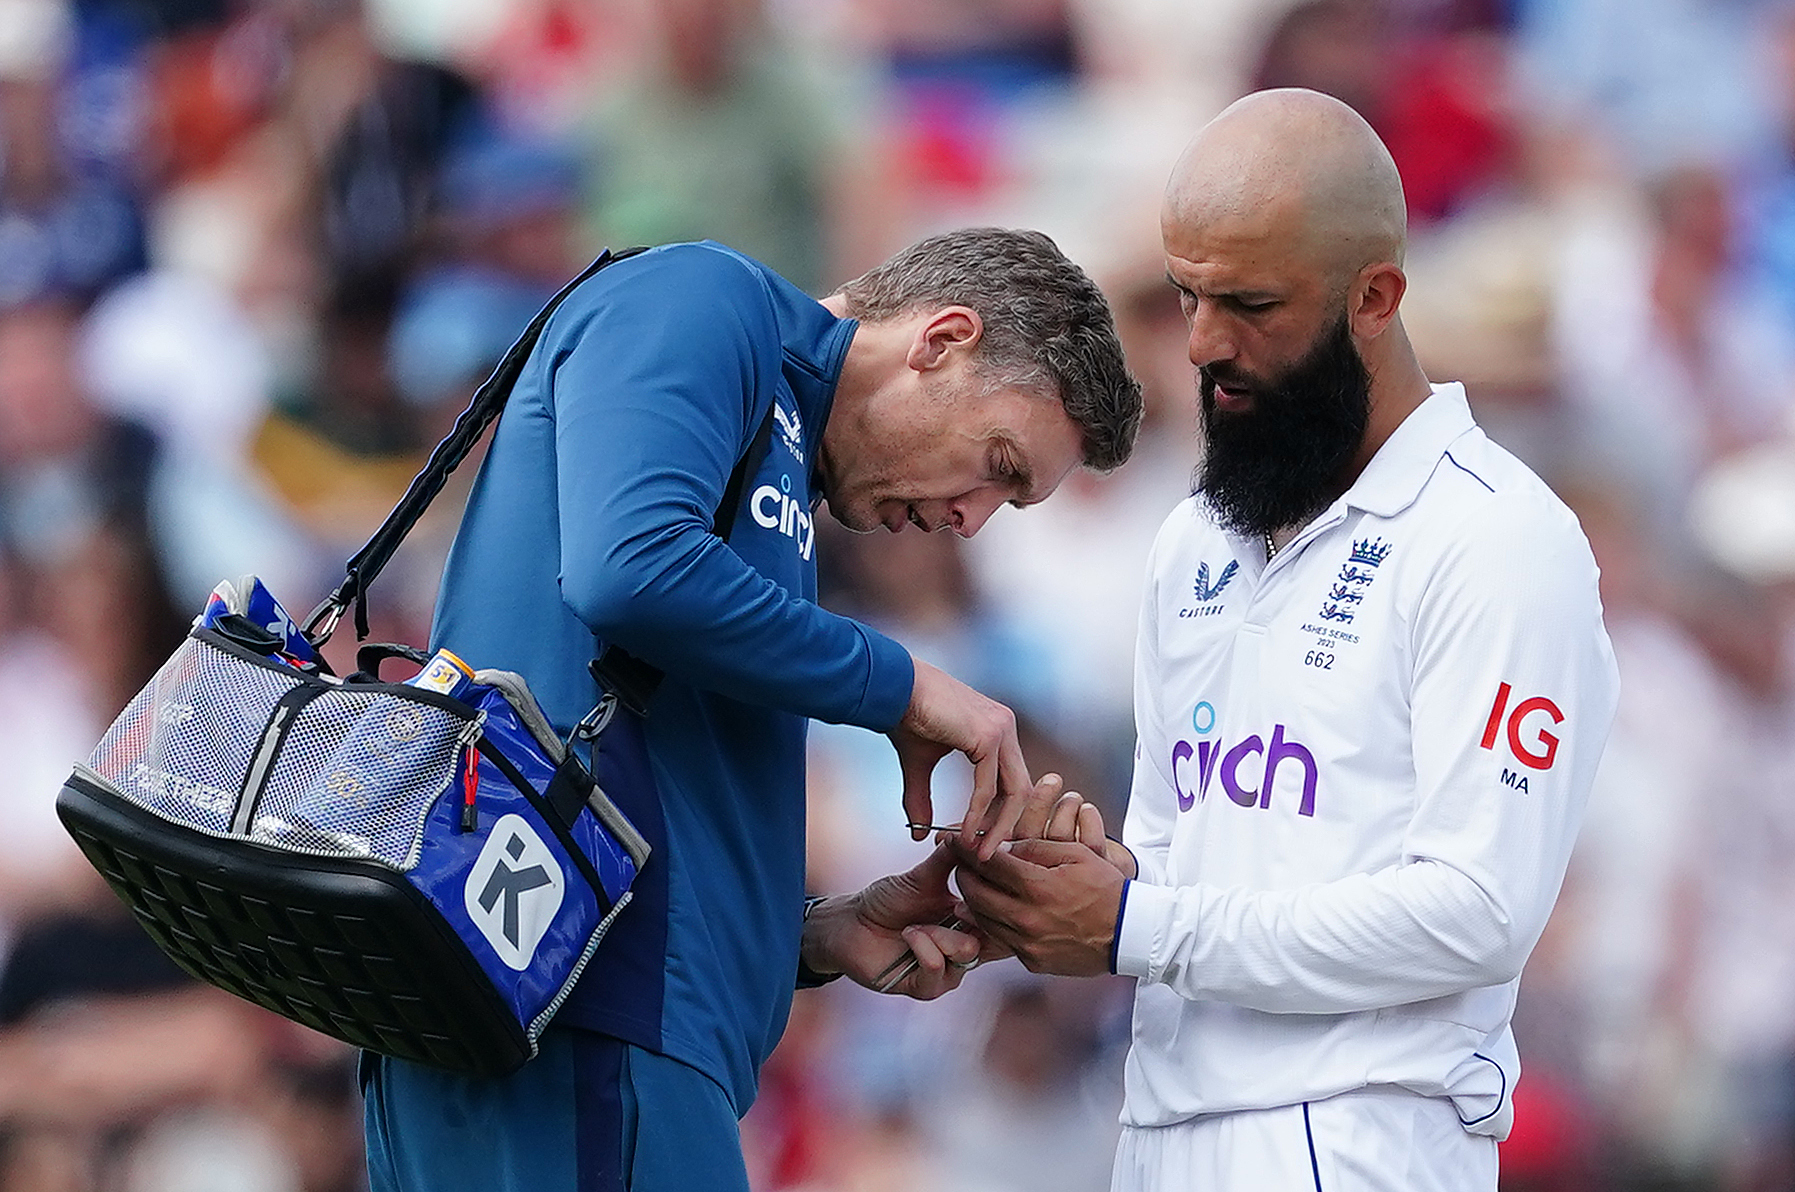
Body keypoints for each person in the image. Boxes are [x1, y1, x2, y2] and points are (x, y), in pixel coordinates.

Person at [360, 228, 1142, 1192]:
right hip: (581, 1027)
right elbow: (627, 567)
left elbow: (659, 765)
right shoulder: (705, 300)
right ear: (940, 340)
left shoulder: (781, 468)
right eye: (997, 464)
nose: (971, 518)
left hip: (595, 1024)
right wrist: (903, 685)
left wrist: (813, 937)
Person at [952, 89, 1620, 1192]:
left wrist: (1138, 925)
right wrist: (1063, 885)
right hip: (1160, 1131)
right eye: (1185, 296)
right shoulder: (1189, 541)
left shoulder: (1500, 540)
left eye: (1249, 303)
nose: (1204, 345)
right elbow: (1174, 860)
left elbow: (1477, 912)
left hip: (1359, 1135)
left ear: (1376, 295)